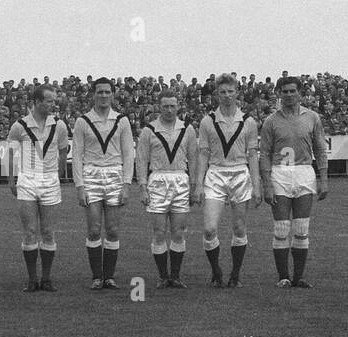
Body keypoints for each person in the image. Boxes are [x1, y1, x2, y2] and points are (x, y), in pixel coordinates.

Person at [259, 75, 329, 288]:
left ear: (300, 93)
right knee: (281, 228)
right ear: (278, 94)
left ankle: (298, 277)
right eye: (285, 91)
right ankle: (283, 277)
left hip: (304, 173)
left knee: (301, 227)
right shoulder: (271, 121)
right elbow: (264, 154)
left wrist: (323, 179)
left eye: (292, 91)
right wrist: (267, 184)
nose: (289, 95)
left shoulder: (312, 117)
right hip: (280, 173)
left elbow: (319, 148)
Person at [195, 74, 261, 287]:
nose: (226, 95)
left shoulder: (248, 121)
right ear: (217, 94)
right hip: (215, 174)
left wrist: (257, 186)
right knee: (209, 229)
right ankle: (216, 271)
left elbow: (252, 155)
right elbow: (203, 154)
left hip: (240, 174)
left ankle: (236, 274)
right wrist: (198, 184)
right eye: (222, 92)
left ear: (237, 93)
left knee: (239, 228)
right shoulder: (207, 121)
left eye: (230, 91)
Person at [70, 76, 135, 289]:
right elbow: (76, 154)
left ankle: (109, 276)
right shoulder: (82, 121)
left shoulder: (122, 120)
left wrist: (126, 184)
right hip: (91, 175)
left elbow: (128, 154)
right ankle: (97, 276)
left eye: (107, 92)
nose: (104, 95)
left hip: (115, 175)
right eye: (100, 92)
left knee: (113, 229)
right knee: (94, 228)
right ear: (93, 94)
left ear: (113, 94)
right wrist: (79, 186)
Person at [7, 84, 69, 291]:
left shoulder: (59, 125)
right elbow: (10, 154)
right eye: (49, 100)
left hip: (49, 181)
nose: (53, 104)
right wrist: (11, 179)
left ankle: (47, 278)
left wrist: (58, 176)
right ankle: (32, 279)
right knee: (30, 231)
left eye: (54, 100)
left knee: (48, 231)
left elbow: (62, 152)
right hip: (27, 180)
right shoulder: (19, 126)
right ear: (36, 101)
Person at [135, 90, 199, 288]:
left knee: (178, 231)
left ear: (178, 106)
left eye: (172, 106)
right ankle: (163, 276)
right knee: (159, 231)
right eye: (165, 106)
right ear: (158, 107)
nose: (169, 110)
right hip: (157, 181)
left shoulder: (187, 129)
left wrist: (194, 185)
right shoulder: (149, 130)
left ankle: (176, 275)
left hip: (180, 179)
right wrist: (143, 187)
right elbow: (141, 159)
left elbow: (194, 159)